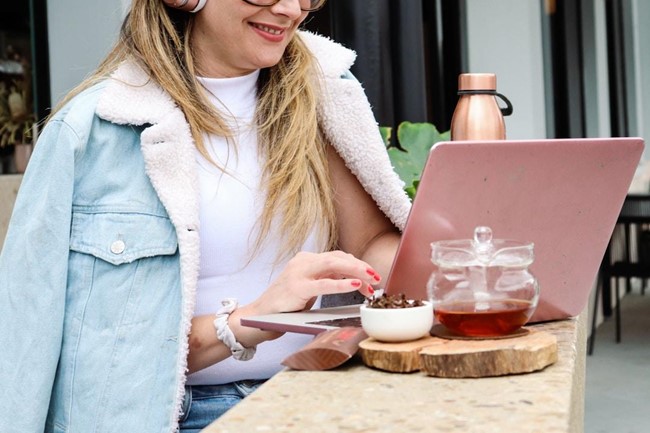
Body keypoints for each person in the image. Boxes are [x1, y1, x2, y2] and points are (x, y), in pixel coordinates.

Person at [0, 0, 412, 432]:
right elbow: (36, 346)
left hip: (312, 395)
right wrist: (251, 318)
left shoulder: (325, 94)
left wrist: (446, 256)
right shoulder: (89, 132)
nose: (292, 9)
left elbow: (369, 246)